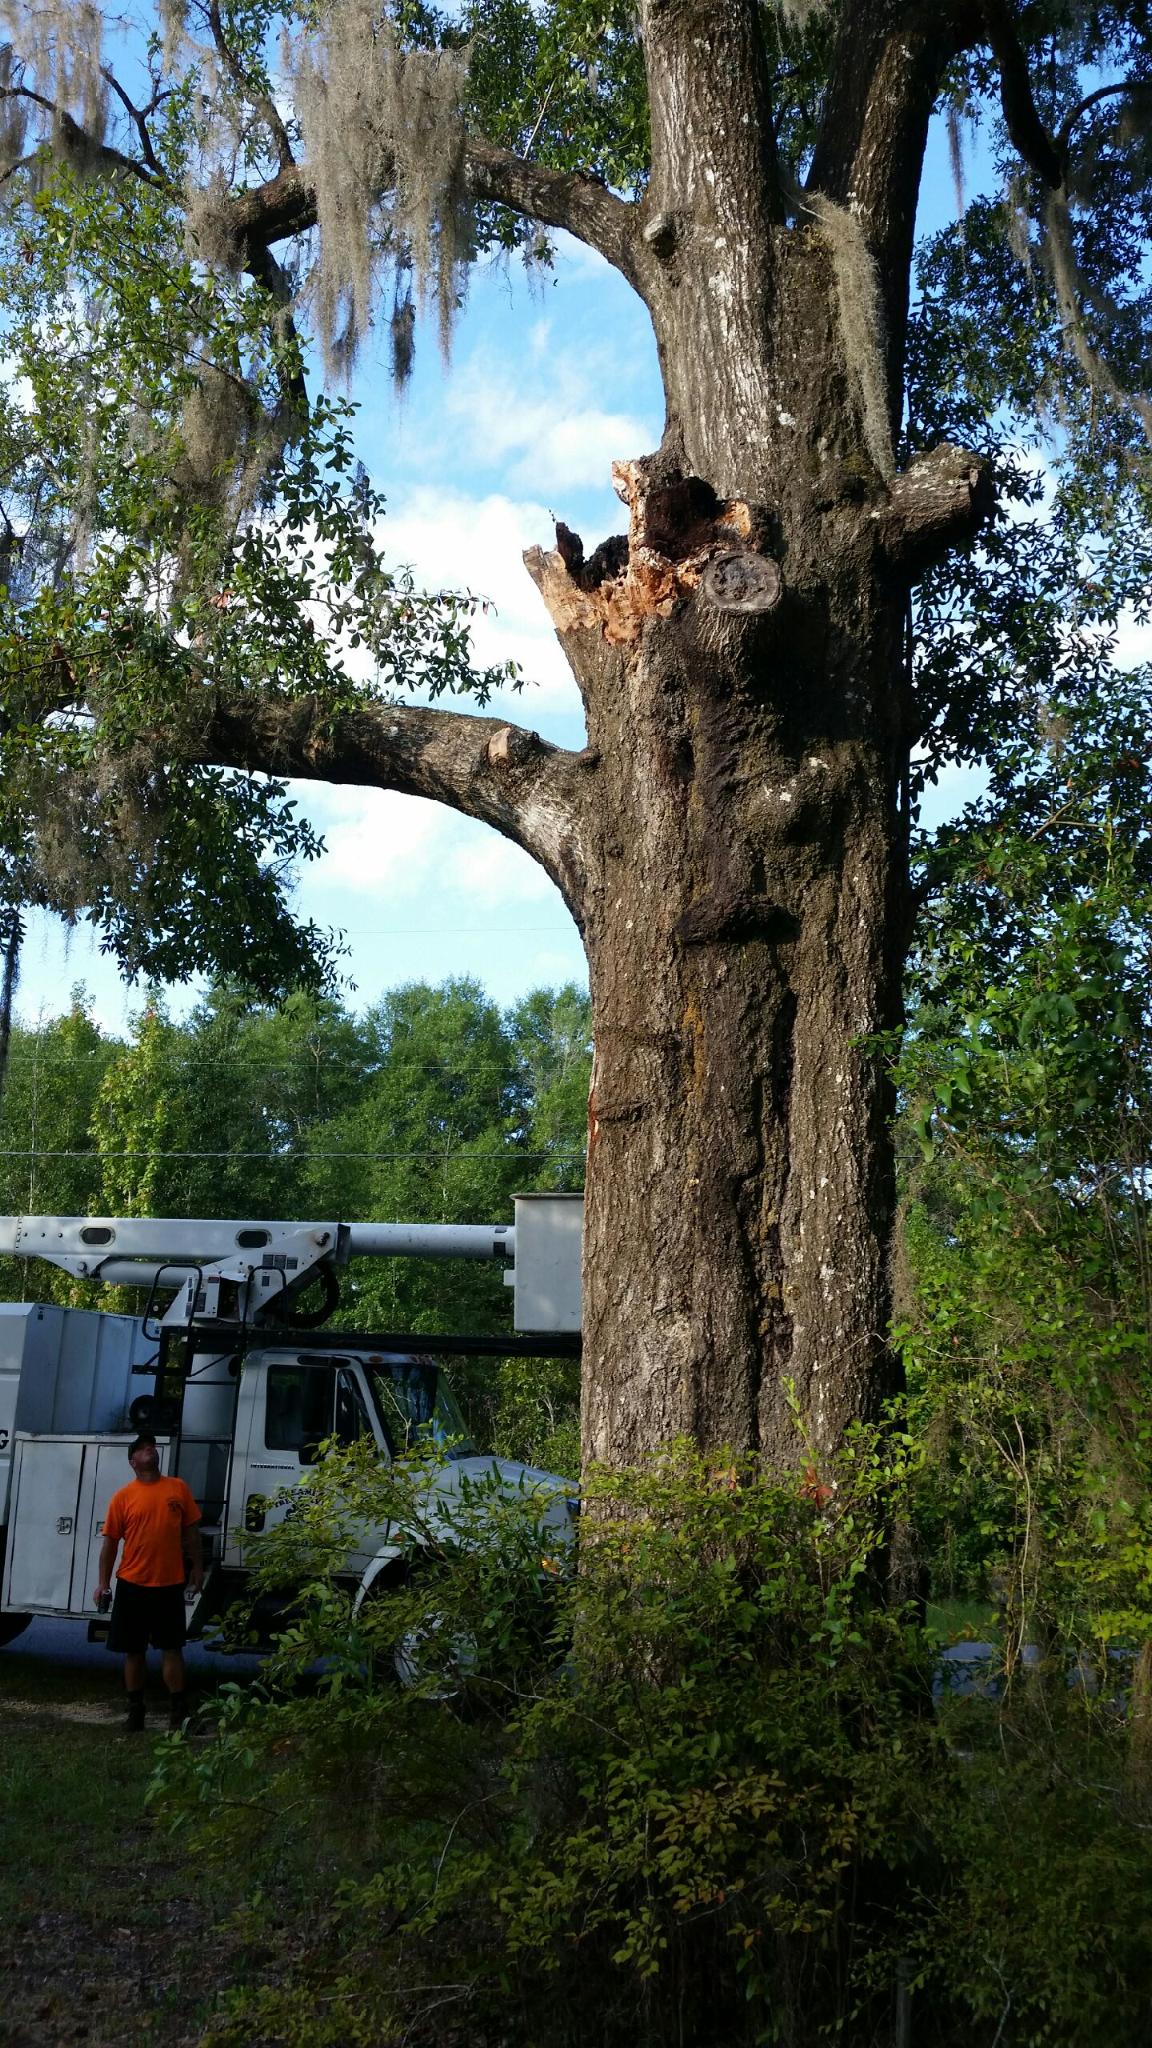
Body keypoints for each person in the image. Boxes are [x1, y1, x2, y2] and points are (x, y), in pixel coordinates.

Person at [93, 1432, 203, 1733]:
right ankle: (135, 1711)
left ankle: (179, 1713)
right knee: (134, 1651)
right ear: (133, 1462)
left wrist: (197, 1567)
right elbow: (110, 1544)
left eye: (151, 1446)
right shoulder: (123, 1497)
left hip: (169, 1584)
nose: (149, 1450)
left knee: (172, 1649)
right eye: (142, 1449)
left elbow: (192, 1533)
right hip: (132, 1584)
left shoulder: (177, 1488)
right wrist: (102, 1583)